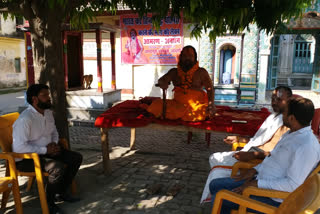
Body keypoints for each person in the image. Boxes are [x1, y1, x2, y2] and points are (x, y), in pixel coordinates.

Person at [209, 97, 320, 213]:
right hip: (260, 180)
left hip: (274, 198)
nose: (282, 116)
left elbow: (292, 185)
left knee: (219, 198)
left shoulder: (306, 146)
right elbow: (274, 159)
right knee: (215, 185)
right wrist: (255, 170)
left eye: (284, 113)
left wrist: (257, 184)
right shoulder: (291, 133)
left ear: (292, 118)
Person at [200, 86, 292, 203]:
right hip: (253, 154)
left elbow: (276, 155)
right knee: (214, 158)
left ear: (290, 100)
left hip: (258, 161)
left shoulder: (288, 123)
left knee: (216, 173)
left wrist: (254, 155)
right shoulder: (274, 117)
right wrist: (239, 139)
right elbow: (258, 140)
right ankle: (221, 195)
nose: (274, 102)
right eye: (273, 98)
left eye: (278, 99)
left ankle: (221, 198)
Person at [12, 84, 83, 214]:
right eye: (44, 95)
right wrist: (45, 150)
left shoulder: (48, 113)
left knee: (76, 158)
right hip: (26, 159)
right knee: (56, 167)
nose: (48, 98)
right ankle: (49, 204)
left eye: (48, 95)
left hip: (47, 152)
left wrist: (54, 144)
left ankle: (61, 191)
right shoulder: (25, 119)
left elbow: (54, 132)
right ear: (34, 99)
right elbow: (19, 147)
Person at [146, 45, 216, 121]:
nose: (187, 58)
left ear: (195, 58)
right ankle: (184, 115)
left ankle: (181, 115)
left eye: (190, 55)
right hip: (177, 104)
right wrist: (163, 82)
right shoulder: (174, 72)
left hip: (196, 106)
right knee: (157, 104)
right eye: (185, 55)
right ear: (181, 57)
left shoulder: (201, 72)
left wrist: (211, 104)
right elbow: (162, 79)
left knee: (203, 110)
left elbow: (210, 89)